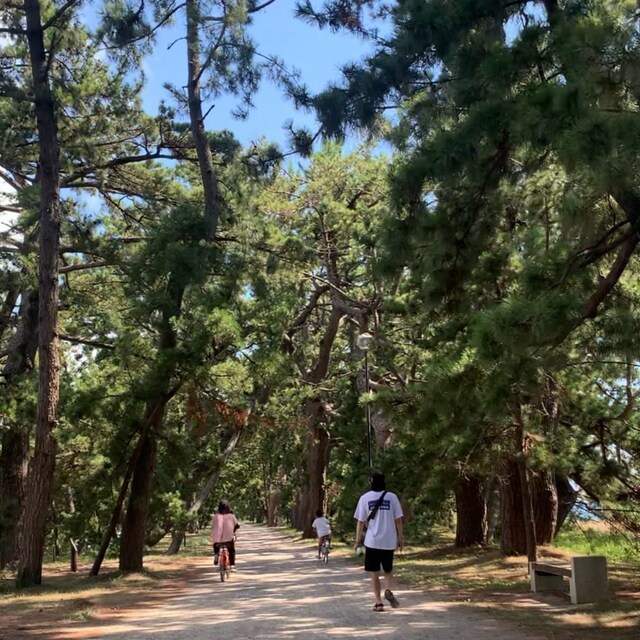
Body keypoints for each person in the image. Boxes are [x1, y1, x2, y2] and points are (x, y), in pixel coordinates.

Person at [354, 471, 404, 612]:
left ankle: (378, 603)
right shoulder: (392, 497)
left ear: (371, 483)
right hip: (389, 541)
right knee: (387, 570)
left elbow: (360, 522)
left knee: (374, 574)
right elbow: (398, 520)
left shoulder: (365, 498)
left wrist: (357, 541)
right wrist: (400, 537)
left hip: (372, 542)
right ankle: (388, 589)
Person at [211, 499, 239, 570]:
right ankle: (232, 565)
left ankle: (216, 554)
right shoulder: (231, 516)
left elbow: (213, 526)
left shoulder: (216, 516)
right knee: (231, 550)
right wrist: (233, 531)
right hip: (228, 539)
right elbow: (237, 525)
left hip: (217, 540)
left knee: (215, 543)